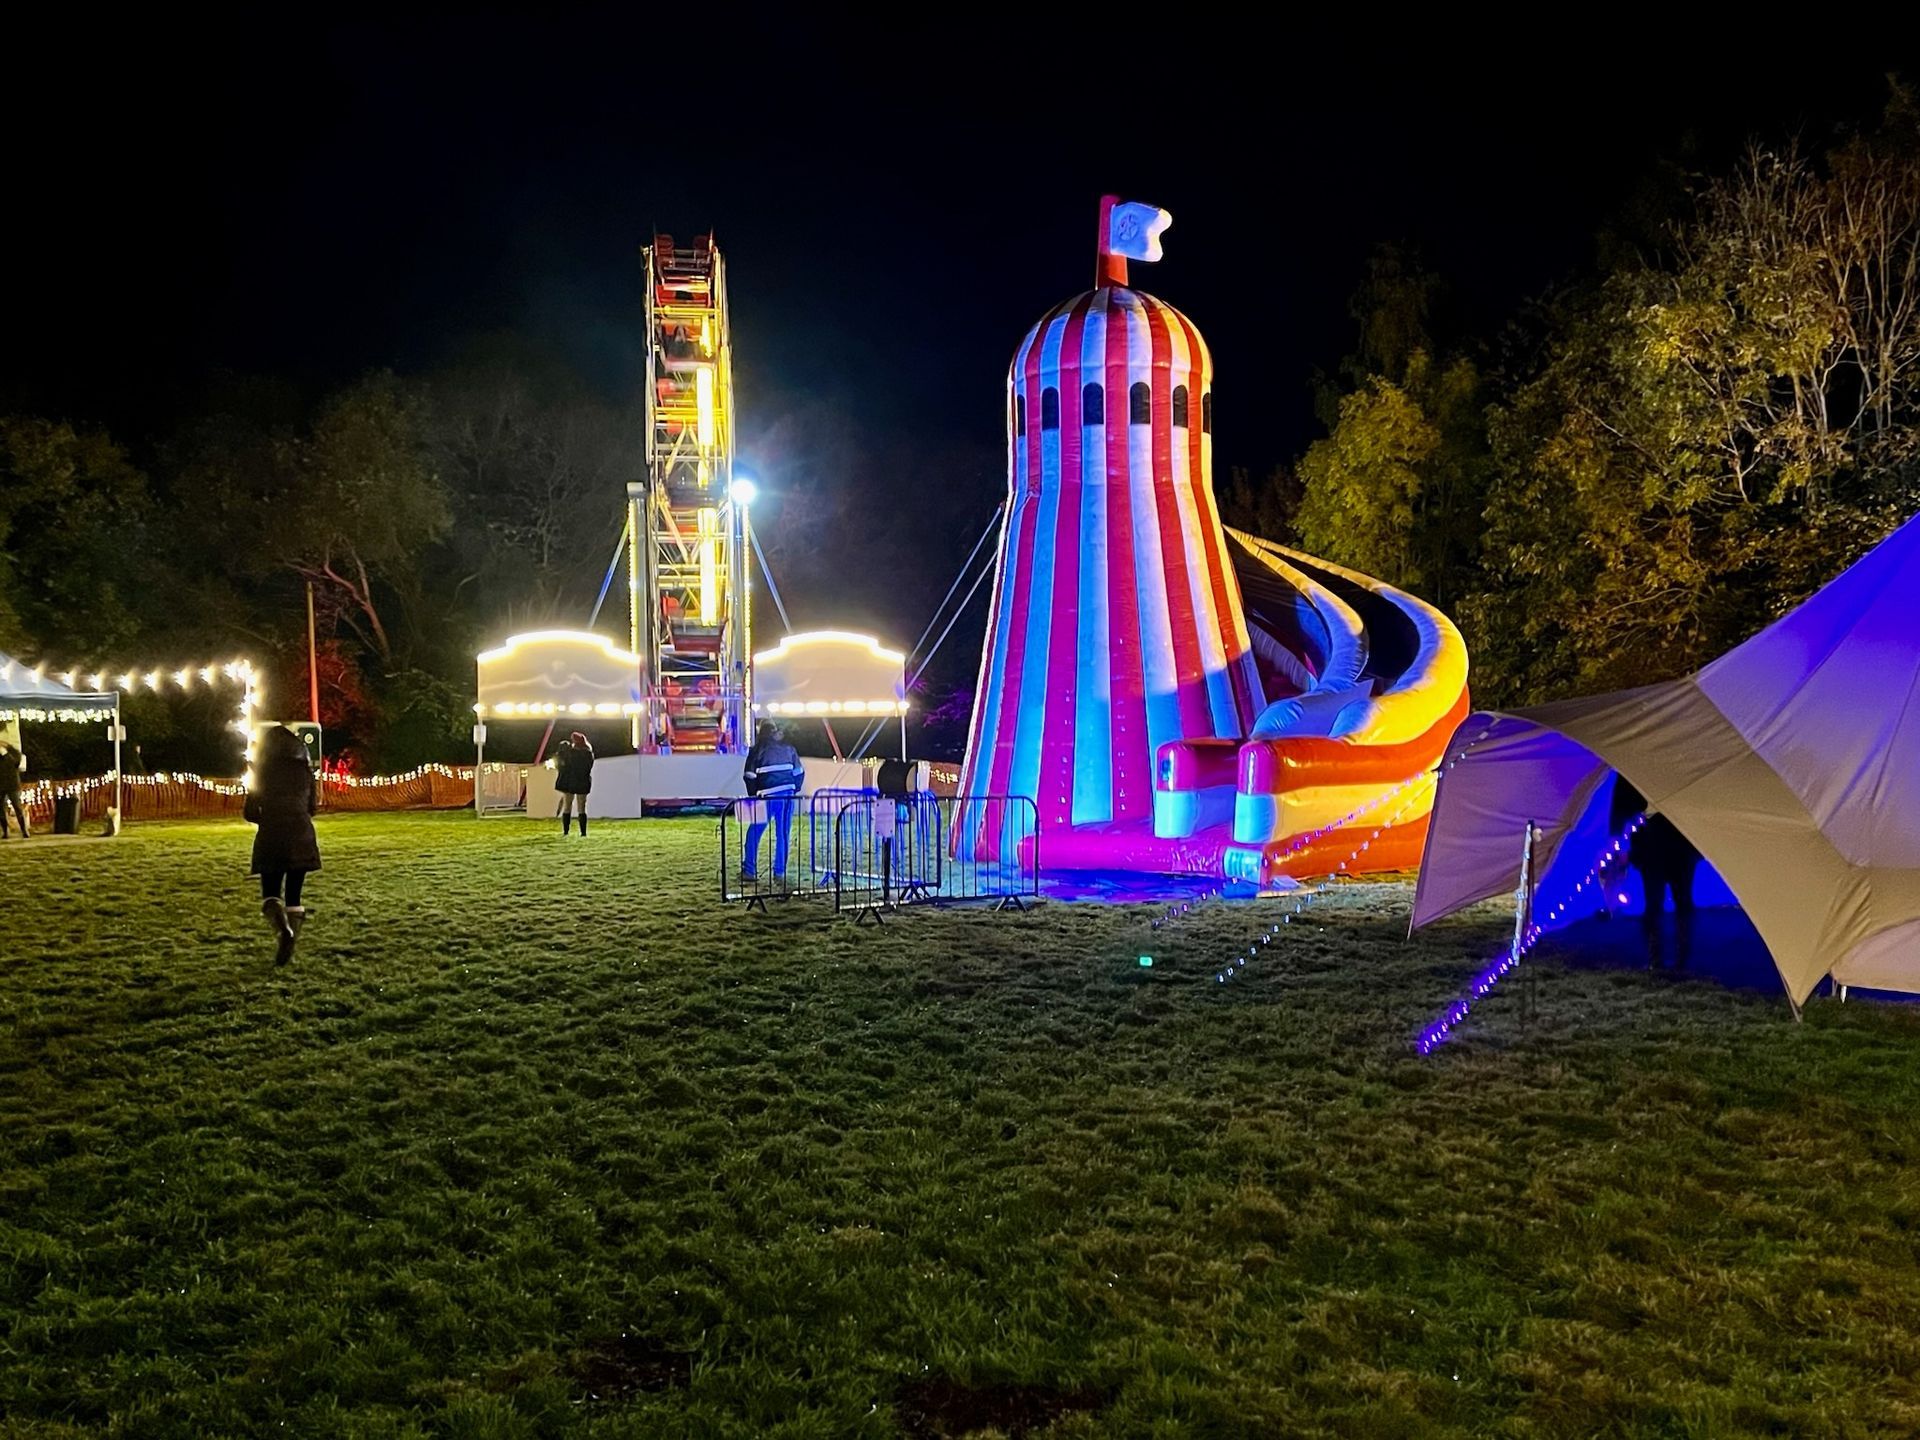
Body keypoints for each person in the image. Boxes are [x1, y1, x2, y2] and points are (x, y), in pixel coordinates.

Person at [1610, 773, 1701, 972]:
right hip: (1654, 847)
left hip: (1677, 846)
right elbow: (1620, 807)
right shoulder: (1631, 771)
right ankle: (1659, 957)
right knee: (1658, 903)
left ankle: (1678, 957)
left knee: (1680, 901)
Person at [244, 725, 320, 964]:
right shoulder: (306, 772)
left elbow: (249, 812)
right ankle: (290, 943)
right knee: (294, 897)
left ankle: (283, 933)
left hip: (273, 836)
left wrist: (266, 818)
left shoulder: (263, 772)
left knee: (270, 895)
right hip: (302, 835)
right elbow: (312, 808)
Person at [741, 720, 804, 881]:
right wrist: (794, 789)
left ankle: (749, 870)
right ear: (775, 731)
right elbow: (799, 772)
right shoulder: (789, 749)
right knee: (782, 834)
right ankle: (779, 872)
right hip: (787, 795)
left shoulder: (756, 750)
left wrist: (753, 795)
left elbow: (749, 775)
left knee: (754, 833)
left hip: (765, 796)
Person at [554, 731, 594, 835]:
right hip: (582, 782)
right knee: (582, 807)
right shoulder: (588, 753)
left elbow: (563, 766)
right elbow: (587, 768)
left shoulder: (569, 753)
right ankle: (583, 832)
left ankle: (566, 831)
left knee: (567, 806)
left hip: (569, 782)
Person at [0, 740, 29, 839]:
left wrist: (6, 750)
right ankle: (5, 831)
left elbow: (16, 760)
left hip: (12, 785)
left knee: (17, 808)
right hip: (1, 785)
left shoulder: (13, 755)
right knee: (1, 810)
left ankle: (24, 830)